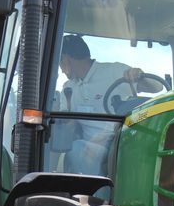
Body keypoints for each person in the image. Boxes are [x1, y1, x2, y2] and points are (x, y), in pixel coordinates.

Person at [58, 34, 164, 175]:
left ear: (66, 59)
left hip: (119, 143)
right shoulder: (68, 89)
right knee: (71, 150)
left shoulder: (113, 71)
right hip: (89, 147)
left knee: (77, 149)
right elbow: (66, 124)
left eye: (60, 64)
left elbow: (157, 87)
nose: (61, 70)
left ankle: (95, 196)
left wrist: (139, 74)